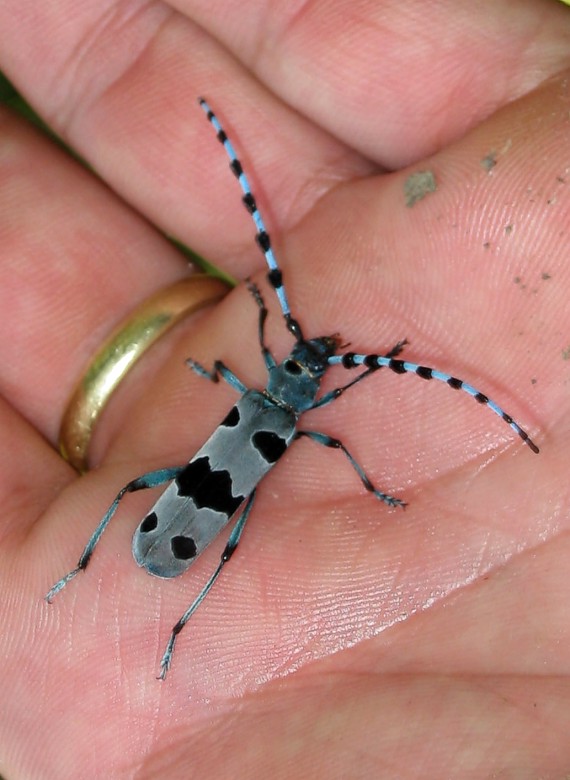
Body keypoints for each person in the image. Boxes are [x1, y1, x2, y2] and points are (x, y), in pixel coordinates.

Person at [0, 1, 568, 776]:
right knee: (155, 496)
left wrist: (269, 358)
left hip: (200, 508)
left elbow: (269, 368)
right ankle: (101, 581)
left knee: (185, 517)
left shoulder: (274, 397)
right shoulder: (303, 417)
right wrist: (371, 391)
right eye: (307, 362)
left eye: (308, 364)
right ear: (295, 379)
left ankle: (145, 612)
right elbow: (313, 405)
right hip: (191, 506)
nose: (312, 361)